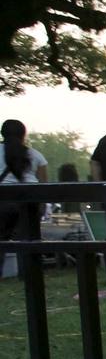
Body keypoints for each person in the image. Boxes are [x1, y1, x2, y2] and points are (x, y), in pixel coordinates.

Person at [0, 119, 48, 278]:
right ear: (23, 134)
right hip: (29, 200)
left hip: (3, 200)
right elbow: (44, 184)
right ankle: (29, 274)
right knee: (29, 239)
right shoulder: (36, 155)